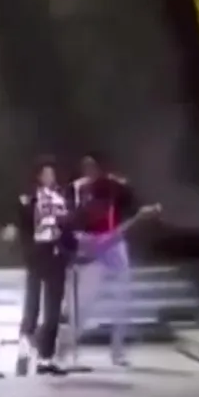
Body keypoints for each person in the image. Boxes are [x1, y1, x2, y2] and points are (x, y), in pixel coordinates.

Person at [2, 157, 74, 376]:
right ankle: (25, 345)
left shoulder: (63, 198)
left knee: (53, 311)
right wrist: (13, 229)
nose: (50, 177)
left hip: (57, 257)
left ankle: (45, 358)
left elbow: (71, 224)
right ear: (38, 176)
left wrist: (70, 247)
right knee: (32, 306)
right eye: (46, 173)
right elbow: (18, 218)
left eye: (52, 173)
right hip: (36, 257)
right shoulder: (29, 199)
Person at [69, 155, 143, 367]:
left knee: (123, 297)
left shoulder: (113, 185)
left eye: (93, 167)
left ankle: (117, 350)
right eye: (86, 167)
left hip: (113, 242)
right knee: (84, 300)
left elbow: (132, 203)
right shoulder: (76, 188)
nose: (90, 171)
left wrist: (125, 187)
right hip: (91, 244)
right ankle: (69, 347)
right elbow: (71, 217)